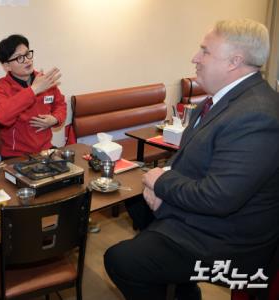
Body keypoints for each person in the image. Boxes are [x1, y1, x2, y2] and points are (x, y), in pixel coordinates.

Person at [104, 19, 279, 300]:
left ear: (234, 61)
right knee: (136, 201)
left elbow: (218, 198)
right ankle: (183, 288)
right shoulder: (216, 102)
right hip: (205, 220)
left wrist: (161, 183)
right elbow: (189, 160)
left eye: (205, 51)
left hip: (229, 243)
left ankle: (179, 281)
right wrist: (159, 184)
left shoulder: (257, 116)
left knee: (122, 260)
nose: (195, 58)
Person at [0, 34, 66, 159]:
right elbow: (1, 116)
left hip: (46, 151)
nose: (27, 60)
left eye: (27, 54)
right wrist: (33, 90)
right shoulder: (1, 88)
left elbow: (60, 104)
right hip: (16, 156)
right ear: (6, 66)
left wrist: (55, 119)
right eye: (19, 58)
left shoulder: (43, 80)